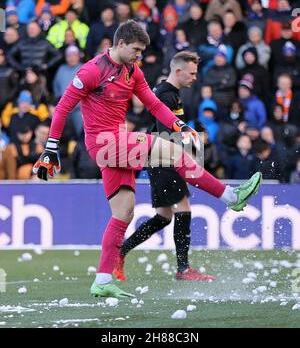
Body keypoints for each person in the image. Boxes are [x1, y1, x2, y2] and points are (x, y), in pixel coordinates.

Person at [33, 20, 262, 298]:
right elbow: (62, 107)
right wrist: (51, 148)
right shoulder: (93, 70)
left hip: (117, 144)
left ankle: (103, 280)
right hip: (104, 143)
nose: (139, 55)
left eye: (141, 51)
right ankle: (230, 197)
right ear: (120, 44)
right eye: (136, 50)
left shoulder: (132, 71)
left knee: (124, 212)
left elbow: (153, 104)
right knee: (172, 150)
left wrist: (180, 127)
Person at [114, 51, 215, 282]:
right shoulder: (165, 95)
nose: (194, 77)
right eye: (191, 73)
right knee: (184, 208)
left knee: (164, 216)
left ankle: (119, 252)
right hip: (163, 159)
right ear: (178, 71)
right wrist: (193, 140)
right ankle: (183, 268)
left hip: (161, 158)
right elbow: (164, 132)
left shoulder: (171, 94)